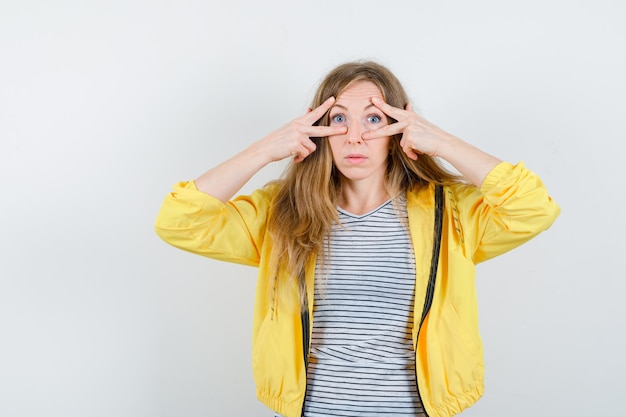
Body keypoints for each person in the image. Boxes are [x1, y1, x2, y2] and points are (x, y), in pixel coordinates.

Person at [155, 60, 560, 417]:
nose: (354, 137)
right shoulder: (282, 213)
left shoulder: (447, 212)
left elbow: (533, 207)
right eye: (338, 119)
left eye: (372, 119)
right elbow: (178, 220)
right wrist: (265, 149)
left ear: (400, 129)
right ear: (318, 130)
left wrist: (441, 141)